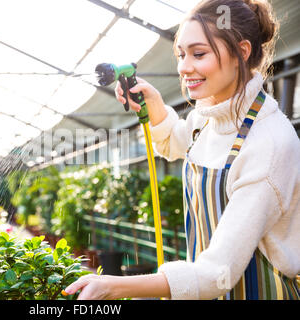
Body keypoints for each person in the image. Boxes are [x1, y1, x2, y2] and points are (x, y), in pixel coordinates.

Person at [64, 0, 300, 300]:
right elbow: (175, 143)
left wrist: (113, 285)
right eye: (181, 54)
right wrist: (153, 103)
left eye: (199, 54)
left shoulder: (269, 143)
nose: (184, 68)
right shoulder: (206, 116)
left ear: (242, 51)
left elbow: (217, 273)